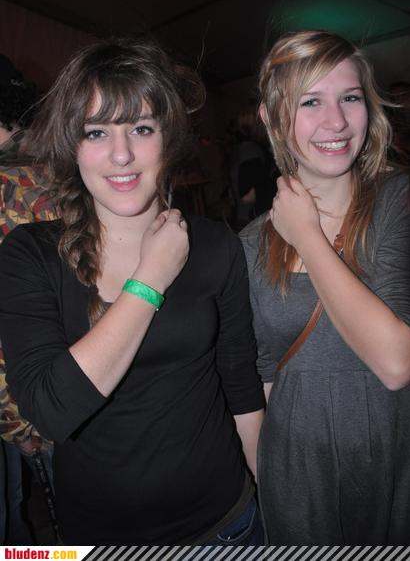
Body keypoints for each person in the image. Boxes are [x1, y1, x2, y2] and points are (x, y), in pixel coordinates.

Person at [0, 37, 265, 545]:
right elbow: (52, 410)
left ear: (169, 138)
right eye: (96, 131)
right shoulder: (30, 254)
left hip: (227, 526)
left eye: (141, 128)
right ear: (72, 144)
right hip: (100, 537)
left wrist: (268, 501)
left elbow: (241, 388)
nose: (121, 154)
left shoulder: (215, 243)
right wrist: (150, 280)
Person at [240, 30, 410, 544]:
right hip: (297, 475)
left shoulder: (397, 200)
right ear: (272, 117)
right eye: (310, 101)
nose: (335, 122)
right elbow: (260, 376)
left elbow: (396, 361)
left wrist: (308, 238)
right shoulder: (248, 244)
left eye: (350, 98)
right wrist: (267, 479)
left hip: (395, 462)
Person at [0, 54, 56, 544]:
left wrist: (17, 424)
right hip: (92, 379)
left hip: (38, 401)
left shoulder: (7, 190)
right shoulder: (61, 172)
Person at [229, 102, 277, 230]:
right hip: (254, 223)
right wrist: (278, 184)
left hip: (248, 221)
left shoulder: (243, 148)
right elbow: (246, 196)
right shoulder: (250, 150)